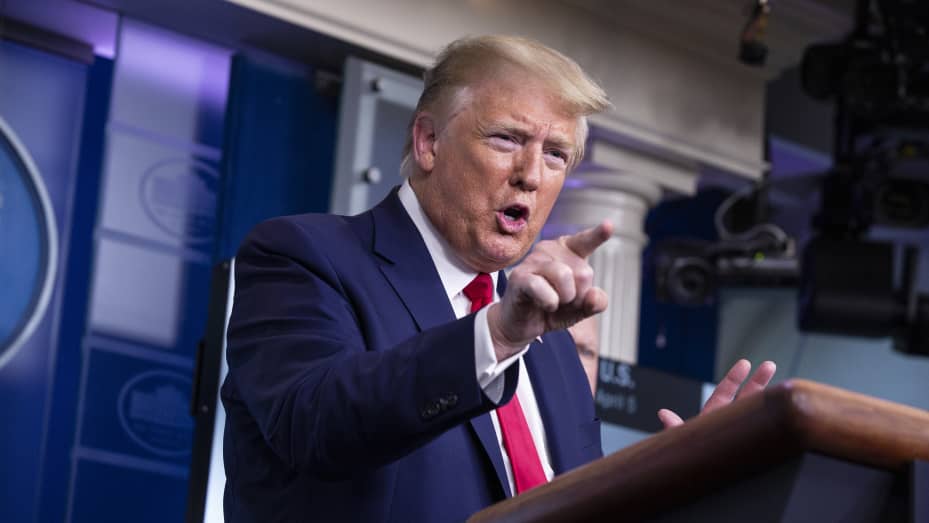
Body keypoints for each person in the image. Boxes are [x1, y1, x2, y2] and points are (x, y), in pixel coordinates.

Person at [221, 35, 775, 523]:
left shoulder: (548, 340)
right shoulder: (304, 256)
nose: (531, 175)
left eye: (556, 154)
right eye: (507, 139)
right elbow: (314, 425)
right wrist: (499, 337)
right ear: (428, 142)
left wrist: (681, 479)